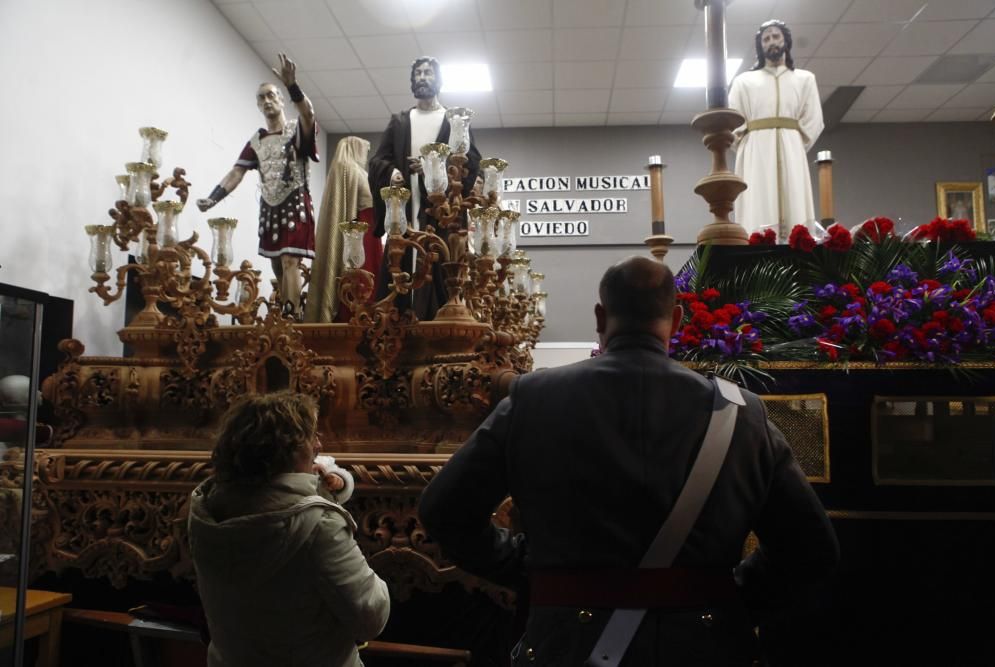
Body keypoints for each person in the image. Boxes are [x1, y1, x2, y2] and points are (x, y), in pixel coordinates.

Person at [419, 256, 839, 666]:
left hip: (564, 643)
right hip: (705, 644)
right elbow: (810, 548)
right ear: (676, 320)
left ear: (600, 317)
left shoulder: (533, 399)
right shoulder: (741, 413)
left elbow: (444, 509)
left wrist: (526, 568)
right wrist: (728, 596)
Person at [189, 391, 390, 667]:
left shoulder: (204, 508)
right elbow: (372, 615)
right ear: (287, 447)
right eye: (311, 436)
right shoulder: (317, 524)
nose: (319, 444)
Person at [197, 53, 319, 318]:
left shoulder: (296, 131)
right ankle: (286, 309)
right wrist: (213, 197)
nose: (266, 101)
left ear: (280, 100)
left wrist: (292, 86)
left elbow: (308, 113)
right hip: (270, 207)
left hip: (294, 203)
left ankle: (291, 318)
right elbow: (237, 172)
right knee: (278, 266)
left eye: (271, 95)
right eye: (261, 98)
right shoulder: (257, 140)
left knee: (290, 261)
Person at [368, 56, 481, 319]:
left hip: (442, 217)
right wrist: (394, 171)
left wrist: (433, 169)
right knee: (401, 269)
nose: (422, 77)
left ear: (438, 80)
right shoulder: (400, 122)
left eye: (428, 72)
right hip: (406, 215)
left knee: (442, 269)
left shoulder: (454, 121)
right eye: (418, 73)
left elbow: (471, 162)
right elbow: (377, 161)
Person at [730, 20, 824, 242]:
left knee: (795, 203)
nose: (771, 42)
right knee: (758, 201)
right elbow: (732, 123)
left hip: (792, 150)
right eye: (766, 38)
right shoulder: (744, 81)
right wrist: (751, 148)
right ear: (760, 46)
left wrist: (792, 145)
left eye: (776, 36)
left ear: (786, 41)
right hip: (755, 153)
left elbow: (813, 121)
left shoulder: (805, 79)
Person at [306, 136, 383, 323]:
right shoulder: (347, 169)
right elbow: (346, 208)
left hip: (370, 232)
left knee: (372, 278)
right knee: (358, 279)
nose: (365, 154)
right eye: (364, 149)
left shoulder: (360, 172)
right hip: (358, 233)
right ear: (355, 148)